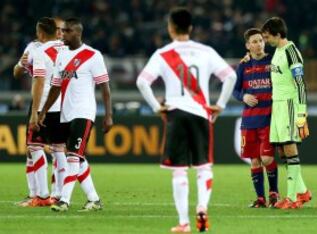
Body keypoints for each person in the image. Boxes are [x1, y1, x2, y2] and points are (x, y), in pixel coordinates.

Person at [137, 7, 236, 233]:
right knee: (203, 167)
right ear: (190, 28)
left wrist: (156, 106)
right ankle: (202, 207)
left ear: (170, 28)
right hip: (201, 113)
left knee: (179, 171)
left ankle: (184, 223)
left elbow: (142, 82)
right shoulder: (206, 51)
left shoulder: (163, 53)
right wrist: (219, 104)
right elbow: (230, 76)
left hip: (175, 113)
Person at [39, 17, 113, 212]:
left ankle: (64, 200)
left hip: (84, 112)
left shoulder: (93, 55)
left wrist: (108, 115)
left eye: (66, 31)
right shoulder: (61, 57)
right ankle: (94, 199)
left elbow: (105, 88)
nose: (62, 34)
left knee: (72, 157)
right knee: (77, 158)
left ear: (77, 33)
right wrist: (44, 110)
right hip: (66, 114)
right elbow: (55, 86)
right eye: (61, 31)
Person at [14, 17, 67, 207]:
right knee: (59, 149)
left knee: (35, 147)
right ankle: (59, 195)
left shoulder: (40, 51)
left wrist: (36, 111)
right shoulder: (66, 49)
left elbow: (39, 82)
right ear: (55, 31)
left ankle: (42, 196)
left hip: (44, 105)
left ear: (41, 33)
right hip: (64, 106)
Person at [261, 17, 311, 209]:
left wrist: (301, 113)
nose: (266, 40)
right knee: (282, 150)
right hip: (278, 105)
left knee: (290, 149)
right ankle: (303, 191)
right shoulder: (277, 51)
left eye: (268, 37)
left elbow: (300, 84)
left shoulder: (291, 51)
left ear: (278, 34)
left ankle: (291, 197)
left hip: (290, 105)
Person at [233, 28, 279, 208]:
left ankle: (274, 193)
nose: (258, 44)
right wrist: (243, 97)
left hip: (267, 119)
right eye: (254, 41)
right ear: (247, 45)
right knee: (254, 159)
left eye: (260, 40)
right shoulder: (243, 66)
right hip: (249, 120)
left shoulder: (273, 62)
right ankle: (261, 199)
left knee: (266, 158)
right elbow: (235, 90)